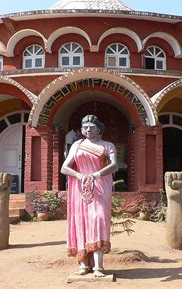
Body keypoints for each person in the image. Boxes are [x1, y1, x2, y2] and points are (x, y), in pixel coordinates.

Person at [61, 115, 118, 277]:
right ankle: (84, 265)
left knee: (98, 219)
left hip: (100, 186)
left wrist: (96, 175)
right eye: (85, 127)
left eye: (91, 127)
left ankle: (98, 267)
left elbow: (114, 166)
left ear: (99, 129)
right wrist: (80, 176)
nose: (88, 130)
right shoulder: (77, 145)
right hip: (80, 188)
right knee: (82, 222)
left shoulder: (108, 145)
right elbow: (65, 168)